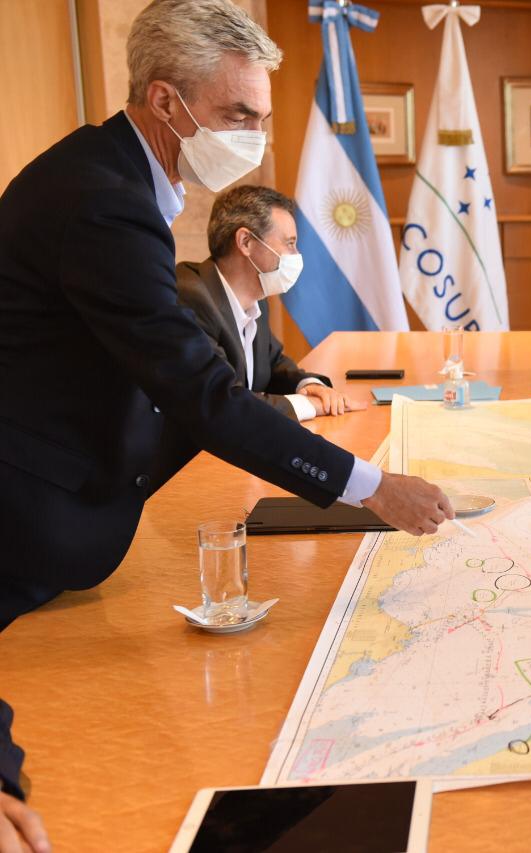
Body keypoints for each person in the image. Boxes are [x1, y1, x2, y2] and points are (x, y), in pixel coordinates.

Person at [0, 1, 452, 840]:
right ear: (165, 101)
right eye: (238, 114)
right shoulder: (102, 200)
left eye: (262, 116)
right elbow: (200, 392)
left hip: (74, 517)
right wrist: (370, 486)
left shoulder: (119, 178)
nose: (254, 137)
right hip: (28, 528)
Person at [150, 186, 366, 489]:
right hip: (181, 478)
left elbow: (273, 362)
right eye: (289, 243)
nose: (296, 256)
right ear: (246, 242)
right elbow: (224, 400)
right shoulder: (189, 296)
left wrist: (311, 386)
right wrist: (309, 406)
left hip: (231, 465)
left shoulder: (255, 298)